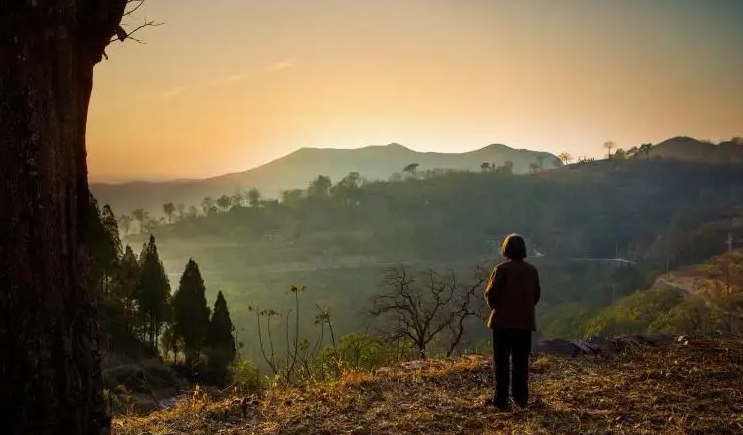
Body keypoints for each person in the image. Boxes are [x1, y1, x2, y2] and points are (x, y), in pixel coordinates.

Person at [483, 233, 541, 410]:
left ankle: (501, 401)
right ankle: (521, 399)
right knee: (521, 363)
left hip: (502, 324)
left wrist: (497, 308)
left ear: (505, 249)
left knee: (501, 364)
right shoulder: (532, 271)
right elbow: (536, 296)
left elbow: (490, 294)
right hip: (524, 324)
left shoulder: (501, 269)